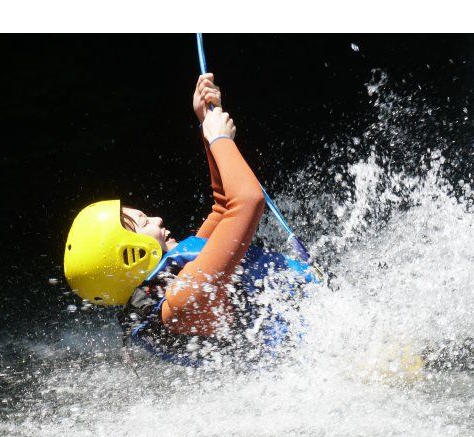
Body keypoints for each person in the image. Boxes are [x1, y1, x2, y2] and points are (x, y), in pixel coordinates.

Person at [63, 75, 318, 367]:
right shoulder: (183, 299)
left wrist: (205, 121)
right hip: (321, 349)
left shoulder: (171, 289)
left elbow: (223, 208)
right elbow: (248, 201)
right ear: (131, 254)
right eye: (144, 222)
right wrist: (220, 139)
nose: (158, 219)